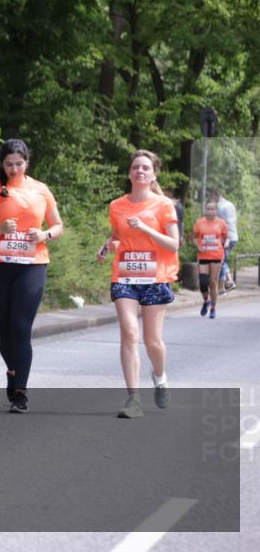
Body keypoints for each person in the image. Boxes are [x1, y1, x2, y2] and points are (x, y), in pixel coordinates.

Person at [0, 139, 63, 413]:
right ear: (2, 163)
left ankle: (20, 392)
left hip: (33, 265)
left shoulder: (40, 189)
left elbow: (58, 226)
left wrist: (44, 234)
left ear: (27, 162)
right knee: (4, 332)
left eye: (19, 164)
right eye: (8, 164)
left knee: (21, 327)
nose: (13, 169)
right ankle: (13, 370)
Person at [97, 150, 180, 419]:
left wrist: (145, 228)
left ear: (153, 174)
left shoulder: (164, 206)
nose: (140, 171)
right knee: (129, 333)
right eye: (135, 167)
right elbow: (117, 235)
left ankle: (160, 376)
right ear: (130, 173)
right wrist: (106, 246)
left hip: (155, 277)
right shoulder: (117, 205)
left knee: (152, 340)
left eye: (145, 168)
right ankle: (133, 399)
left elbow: (173, 244)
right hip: (125, 276)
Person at [192, 200, 230, 319]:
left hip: (216, 256)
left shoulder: (221, 223)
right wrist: (198, 246)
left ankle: (213, 308)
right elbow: (193, 237)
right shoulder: (200, 222)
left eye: (212, 209)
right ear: (205, 210)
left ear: (216, 211)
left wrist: (227, 243)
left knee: (213, 283)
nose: (210, 211)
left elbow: (227, 237)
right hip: (203, 255)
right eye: (208, 209)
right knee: (203, 282)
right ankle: (206, 301)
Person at [209, 190, 239, 291]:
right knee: (223, 260)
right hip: (234, 236)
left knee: (220, 260)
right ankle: (229, 281)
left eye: (212, 197)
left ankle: (223, 287)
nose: (211, 199)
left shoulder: (220, 207)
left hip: (226, 238)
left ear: (216, 195)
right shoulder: (230, 204)